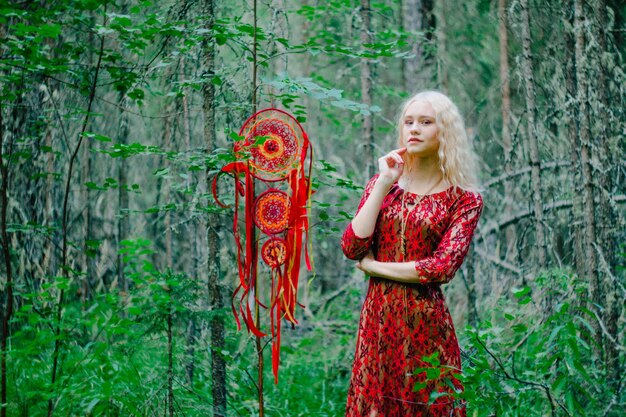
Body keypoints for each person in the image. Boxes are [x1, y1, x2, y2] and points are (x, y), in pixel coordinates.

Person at [341, 90, 483, 417]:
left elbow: (441, 268)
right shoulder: (385, 185)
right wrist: (383, 182)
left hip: (426, 325)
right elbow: (352, 246)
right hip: (378, 323)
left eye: (425, 122)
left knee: (427, 406)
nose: (414, 129)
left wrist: (375, 268)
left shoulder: (464, 200)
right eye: (409, 122)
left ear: (444, 131)